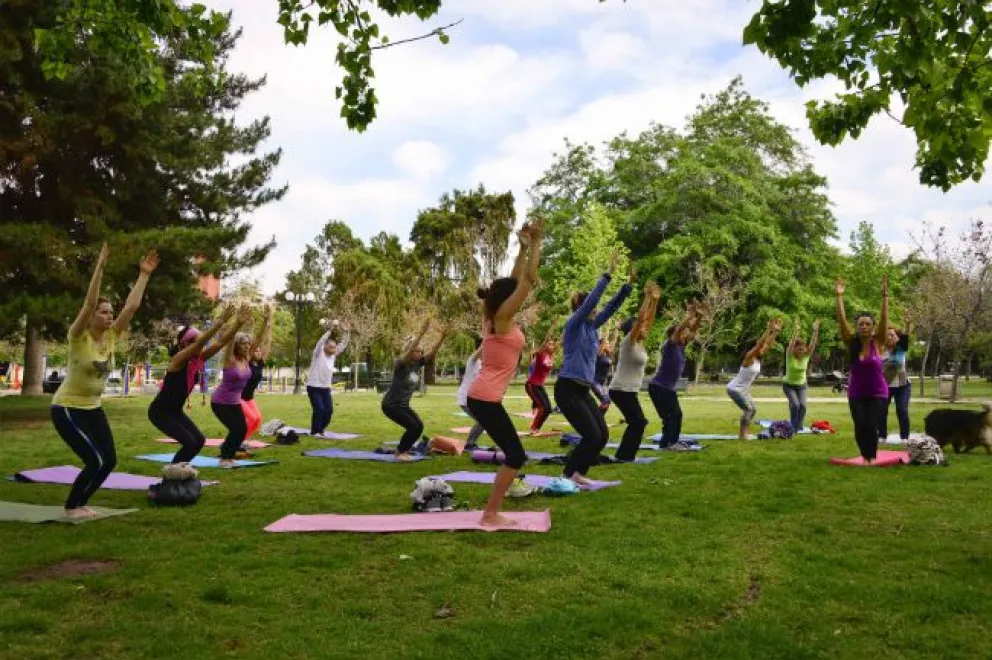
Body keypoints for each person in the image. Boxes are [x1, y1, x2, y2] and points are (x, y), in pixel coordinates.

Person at [50, 243, 159, 519]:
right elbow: (88, 303)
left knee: (109, 461)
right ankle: (71, 506)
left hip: (94, 408)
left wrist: (144, 275)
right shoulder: (78, 336)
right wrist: (100, 266)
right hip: (67, 408)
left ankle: (80, 504)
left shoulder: (111, 338)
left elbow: (131, 307)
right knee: (94, 460)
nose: (110, 316)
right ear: (91, 318)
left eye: (111, 312)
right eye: (104, 312)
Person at [468, 220, 544, 526]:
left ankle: (492, 511)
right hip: (484, 398)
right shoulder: (501, 318)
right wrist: (538, 242)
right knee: (515, 456)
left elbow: (517, 279)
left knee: (514, 454)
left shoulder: (494, 316)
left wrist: (523, 248)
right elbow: (527, 281)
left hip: (483, 397)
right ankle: (490, 515)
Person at [554, 253, 634, 486]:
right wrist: (607, 275)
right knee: (591, 435)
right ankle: (568, 474)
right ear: (582, 308)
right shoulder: (574, 325)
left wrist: (626, 287)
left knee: (602, 436)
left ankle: (578, 473)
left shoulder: (591, 327)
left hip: (582, 390)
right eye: (591, 306)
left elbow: (609, 308)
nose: (596, 309)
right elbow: (593, 302)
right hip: (567, 389)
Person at [147, 304, 248, 464]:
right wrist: (219, 322)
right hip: (160, 412)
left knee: (199, 441)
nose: (202, 345)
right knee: (190, 442)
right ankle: (171, 477)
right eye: (197, 342)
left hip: (175, 411)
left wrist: (238, 324)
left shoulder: (198, 359)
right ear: (186, 345)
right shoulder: (177, 360)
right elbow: (201, 343)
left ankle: (179, 473)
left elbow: (221, 343)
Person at [836, 276, 890, 462]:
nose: (864, 326)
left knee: (870, 424)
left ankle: (871, 457)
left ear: (873, 327)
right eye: (861, 324)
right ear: (857, 327)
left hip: (878, 393)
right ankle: (865, 455)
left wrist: (885, 296)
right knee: (859, 425)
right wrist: (839, 297)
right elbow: (842, 321)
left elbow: (884, 318)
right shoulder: (851, 343)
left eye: (868, 324)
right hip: (857, 392)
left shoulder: (879, 342)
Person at [381, 320, 449, 462]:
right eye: (415, 351)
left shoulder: (417, 364)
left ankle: (403, 450)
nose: (418, 353)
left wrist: (442, 338)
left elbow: (432, 353)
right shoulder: (401, 363)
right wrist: (422, 333)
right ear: (410, 351)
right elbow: (408, 353)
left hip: (403, 406)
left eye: (420, 351)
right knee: (412, 427)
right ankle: (400, 452)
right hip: (391, 405)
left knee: (419, 426)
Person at [610, 282, 661, 461]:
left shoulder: (639, 344)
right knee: (638, 422)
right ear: (633, 330)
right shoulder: (628, 343)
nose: (645, 328)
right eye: (641, 327)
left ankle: (625, 455)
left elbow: (648, 321)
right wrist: (647, 298)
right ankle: (624, 455)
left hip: (628, 391)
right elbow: (641, 320)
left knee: (637, 422)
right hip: (620, 389)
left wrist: (655, 302)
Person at [648, 302, 704, 449]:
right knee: (675, 415)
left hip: (665, 388)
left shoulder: (681, 345)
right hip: (659, 388)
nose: (686, 335)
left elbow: (692, 331)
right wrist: (690, 315)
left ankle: (666, 443)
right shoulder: (670, 344)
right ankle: (672, 442)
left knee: (670, 416)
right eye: (682, 334)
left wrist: (700, 317)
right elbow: (681, 328)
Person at [210, 305, 258, 467]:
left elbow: (258, 340)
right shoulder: (230, 360)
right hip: (220, 401)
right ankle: (225, 458)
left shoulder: (246, 359)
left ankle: (228, 454)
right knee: (236, 429)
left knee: (242, 429)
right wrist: (237, 324)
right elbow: (229, 341)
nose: (247, 346)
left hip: (235, 401)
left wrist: (266, 323)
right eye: (243, 344)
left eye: (248, 344)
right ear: (237, 346)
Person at [726, 318, 783, 440]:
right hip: (735, 389)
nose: (763, 349)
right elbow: (760, 344)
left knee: (753, 410)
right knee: (749, 410)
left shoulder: (758, 359)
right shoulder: (749, 357)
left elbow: (768, 344)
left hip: (743, 390)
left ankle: (743, 434)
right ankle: (743, 435)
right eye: (761, 348)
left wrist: (776, 332)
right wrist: (768, 330)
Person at [306, 320, 350, 437]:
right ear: (325, 347)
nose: (333, 349)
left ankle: (320, 429)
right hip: (313, 387)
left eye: (334, 348)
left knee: (329, 410)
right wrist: (330, 330)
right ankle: (315, 431)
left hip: (325, 388)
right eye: (330, 347)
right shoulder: (318, 353)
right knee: (319, 409)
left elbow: (344, 344)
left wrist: (346, 332)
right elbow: (320, 342)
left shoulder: (334, 354)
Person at [880, 313, 914, 442]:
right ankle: (882, 436)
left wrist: (907, 323)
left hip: (902, 386)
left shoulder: (901, 348)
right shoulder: (880, 350)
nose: (890, 337)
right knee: (881, 411)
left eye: (892, 335)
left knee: (902, 410)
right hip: (885, 386)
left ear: (897, 337)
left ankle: (905, 437)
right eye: (887, 335)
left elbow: (905, 337)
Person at [241, 304, 274, 439]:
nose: (259, 351)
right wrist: (264, 323)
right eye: (256, 350)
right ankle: (238, 440)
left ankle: (242, 440)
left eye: (260, 350)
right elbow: (258, 341)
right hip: (238, 397)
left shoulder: (260, 363)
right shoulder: (246, 361)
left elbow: (267, 343)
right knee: (253, 418)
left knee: (258, 419)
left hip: (249, 397)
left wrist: (269, 325)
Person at [783, 319, 820, 432]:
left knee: (802, 406)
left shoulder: (806, 356)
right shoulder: (789, 356)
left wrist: (815, 331)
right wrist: (796, 332)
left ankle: (799, 426)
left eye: (802, 348)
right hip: (788, 385)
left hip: (802, 385)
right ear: (794, 349)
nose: (801, 350)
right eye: (798, 348)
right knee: (795, 405)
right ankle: (793, 427)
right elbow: (791, 344)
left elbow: (813, 343)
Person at [524, 319, 558, 434]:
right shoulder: (540, 354)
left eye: (552, 344)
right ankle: (534, 428)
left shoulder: (550, 355)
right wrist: (552, 327)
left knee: (548, 409)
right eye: (549, 343)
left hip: (539, 385)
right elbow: (545, 341)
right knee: (543, 407)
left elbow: (561, 341)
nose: (551, 345)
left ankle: (537, 428)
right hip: (532, 384)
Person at [456, 338, 485, 450]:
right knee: (483, 421)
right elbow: (476, 354)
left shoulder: (483, 364)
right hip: (465, 399)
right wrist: (487, 342)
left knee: (483, 421)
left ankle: (470, 443)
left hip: (475, 399)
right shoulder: (472, 361)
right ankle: (469, 443)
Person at [591, 328, 616, 412]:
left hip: (603, 383)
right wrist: (608, 327)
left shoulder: (608, 355)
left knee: (607, 401)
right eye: (606, 344)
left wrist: (616, 329)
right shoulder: (599, 354)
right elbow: (604, 341)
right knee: (605, 401)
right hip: (595, 381)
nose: (608, 345)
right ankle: (595, 418)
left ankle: (599, 419)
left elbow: (614, 341)